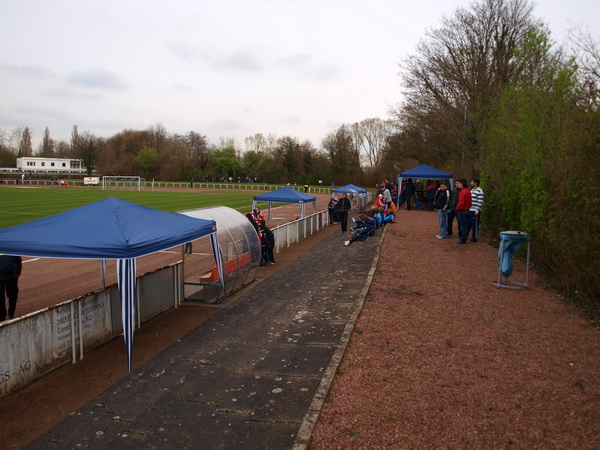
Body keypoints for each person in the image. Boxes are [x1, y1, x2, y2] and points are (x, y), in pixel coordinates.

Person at [0, 254, 22, 321]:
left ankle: (11, 313)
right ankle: (1, 316)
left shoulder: (9, 248)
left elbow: (18, 261)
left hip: (12, 277)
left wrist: (17, 273)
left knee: (13, 296)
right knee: (0, 298)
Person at [455, 179, 472, 244]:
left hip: (462, 211)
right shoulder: (468, 191)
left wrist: (457, 208)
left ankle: (463, 239)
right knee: (465, 225)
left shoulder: (462, 192)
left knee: (463, 226)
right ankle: (464, 238)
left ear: (462, 184)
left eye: (459, 183)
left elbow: (461, 202)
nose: (458, 185)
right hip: (467, 210)